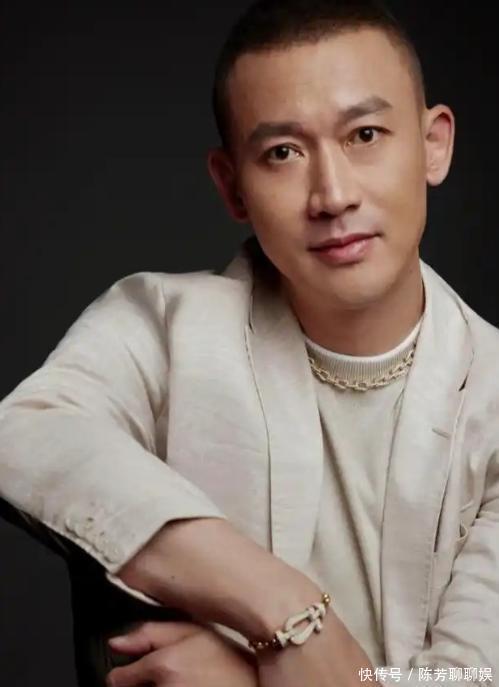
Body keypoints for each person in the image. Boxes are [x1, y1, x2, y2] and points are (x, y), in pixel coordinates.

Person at [0, 0, 498, 685]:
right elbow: (24, 435)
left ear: (433, 144)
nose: (332, 195)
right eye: (282, 153)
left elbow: (473, 676)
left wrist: (253, 679)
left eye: (365, 134)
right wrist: (286, 611)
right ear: (232, 187)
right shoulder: (159, 326)